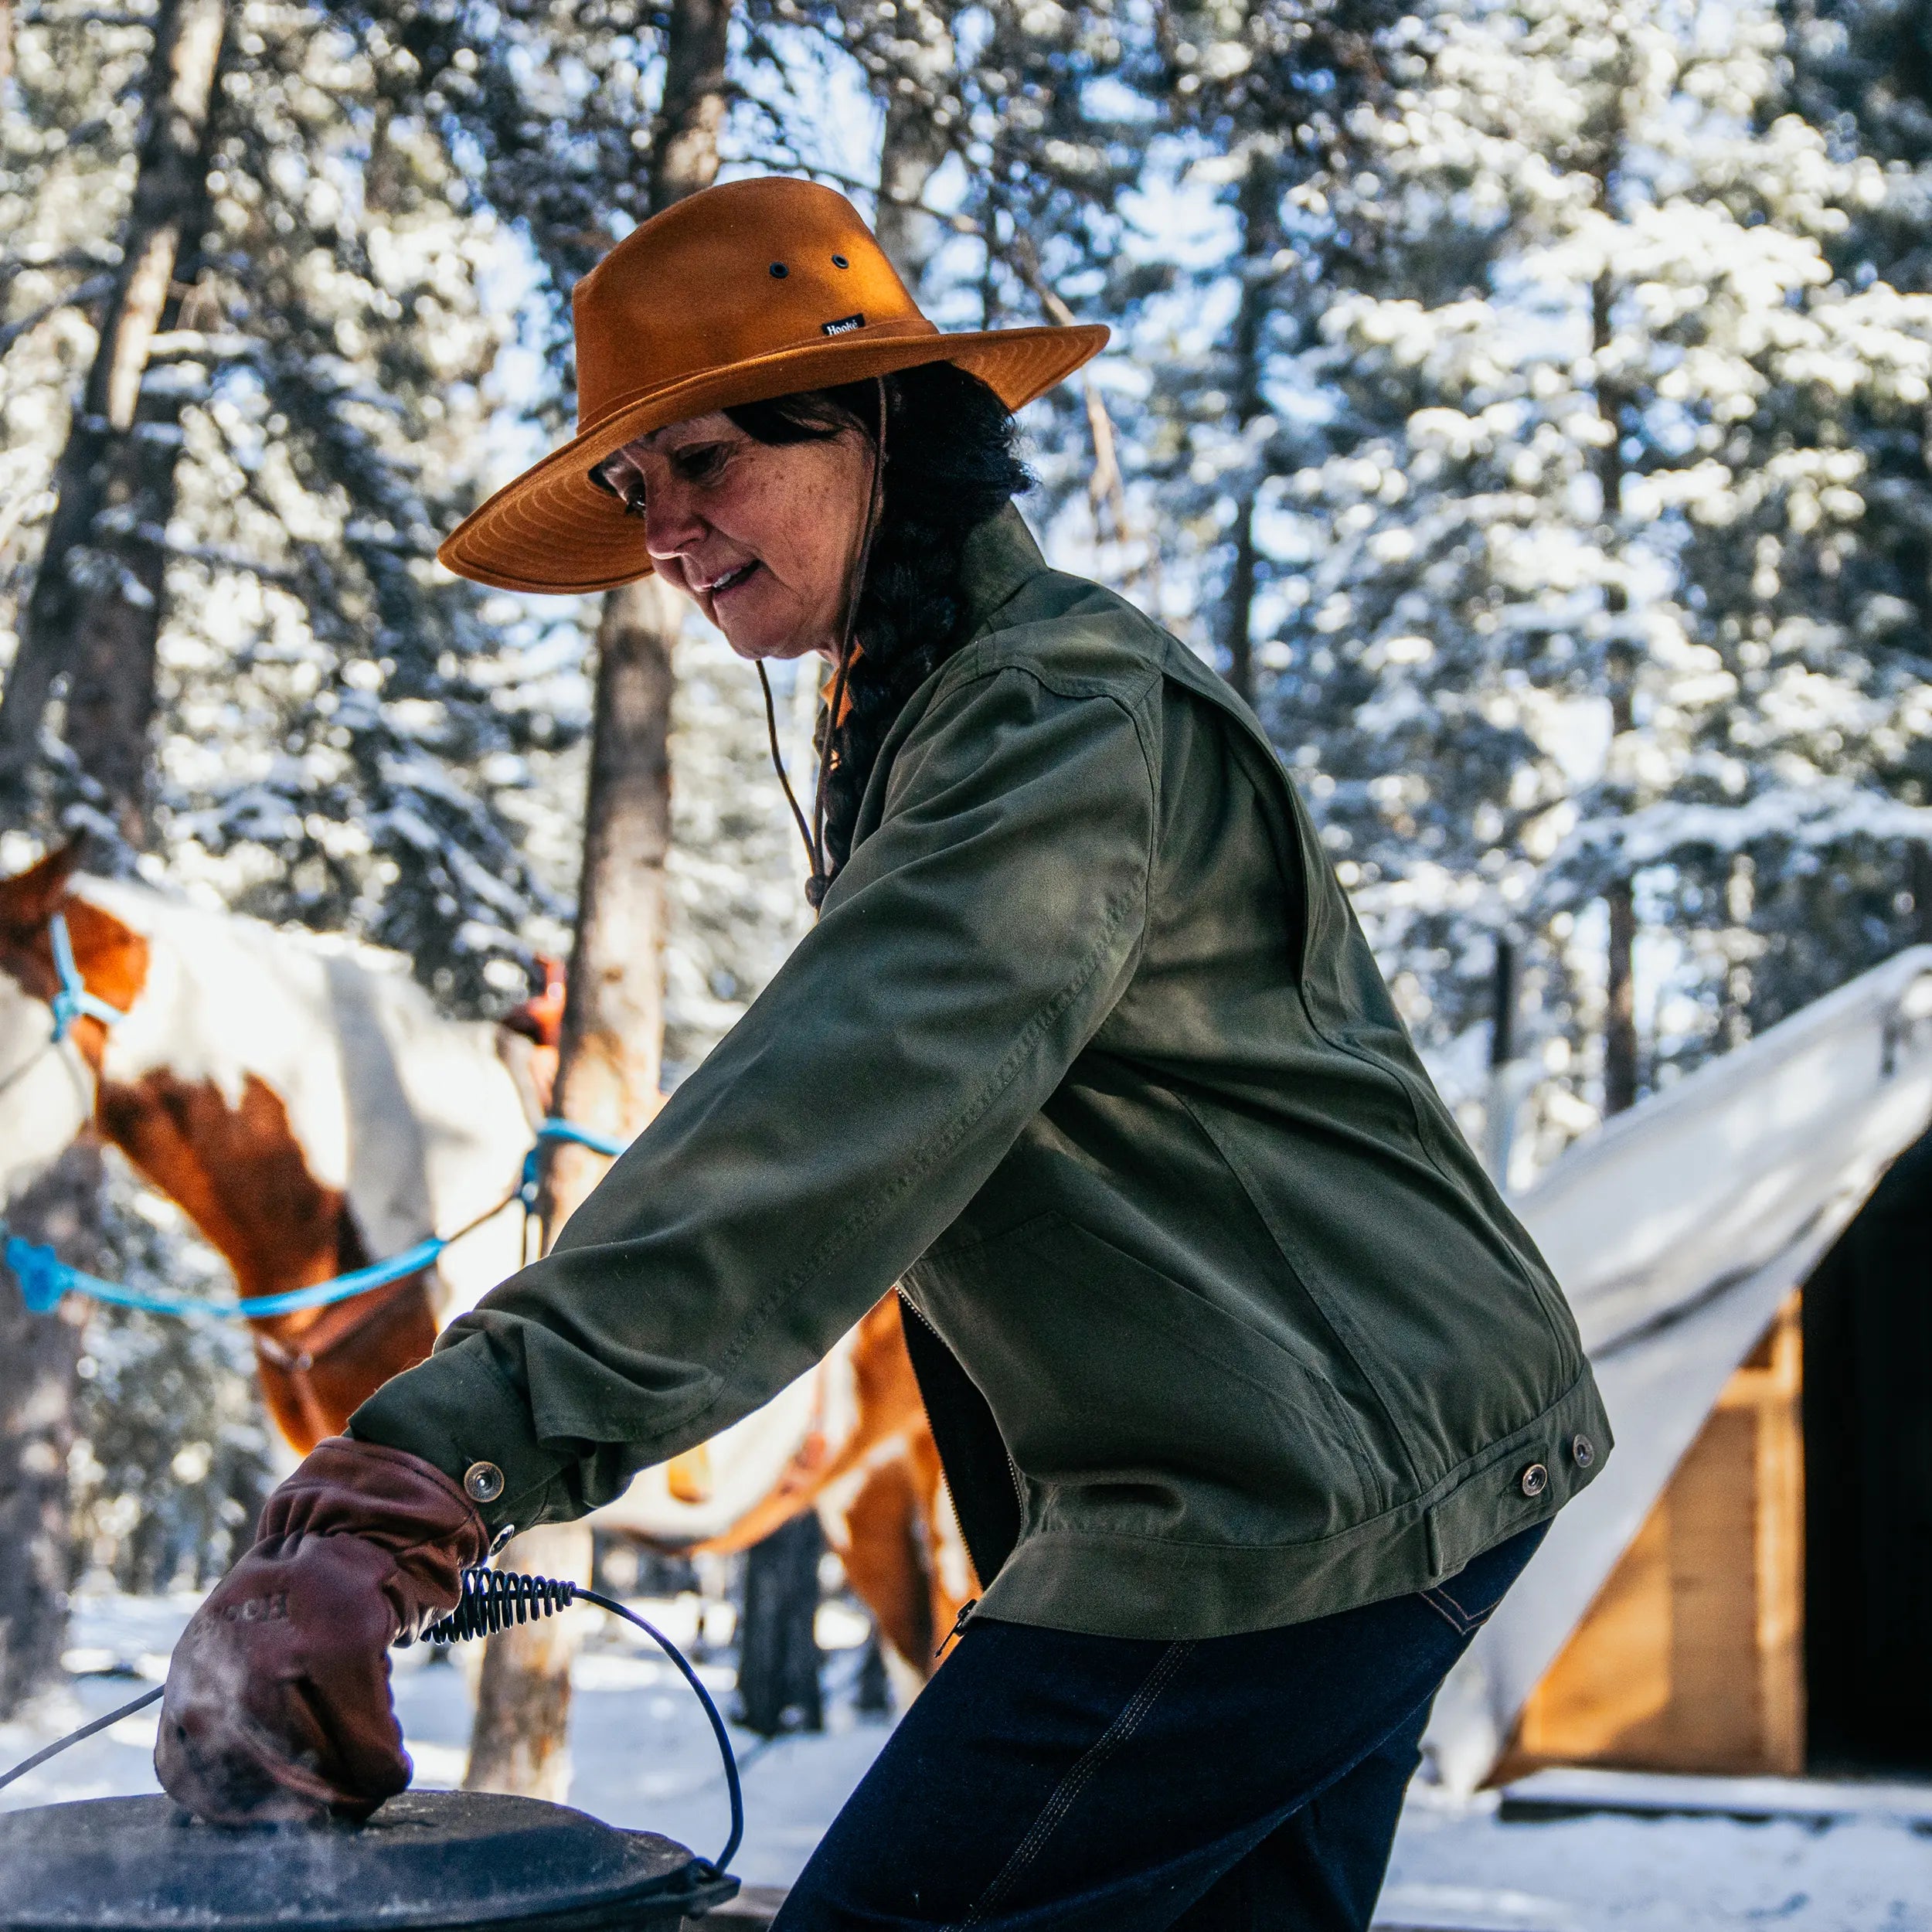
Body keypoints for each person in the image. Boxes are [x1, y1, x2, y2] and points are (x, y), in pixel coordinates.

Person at [155, 175, 1611, 1930]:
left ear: (873, 425)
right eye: (633, 488)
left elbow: (831, 1111)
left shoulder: (1054, 711)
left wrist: (432, 1467)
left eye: (704, 460)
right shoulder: (932, 711)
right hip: (1341, 1458)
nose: (667, 528)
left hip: (1290, 1488)